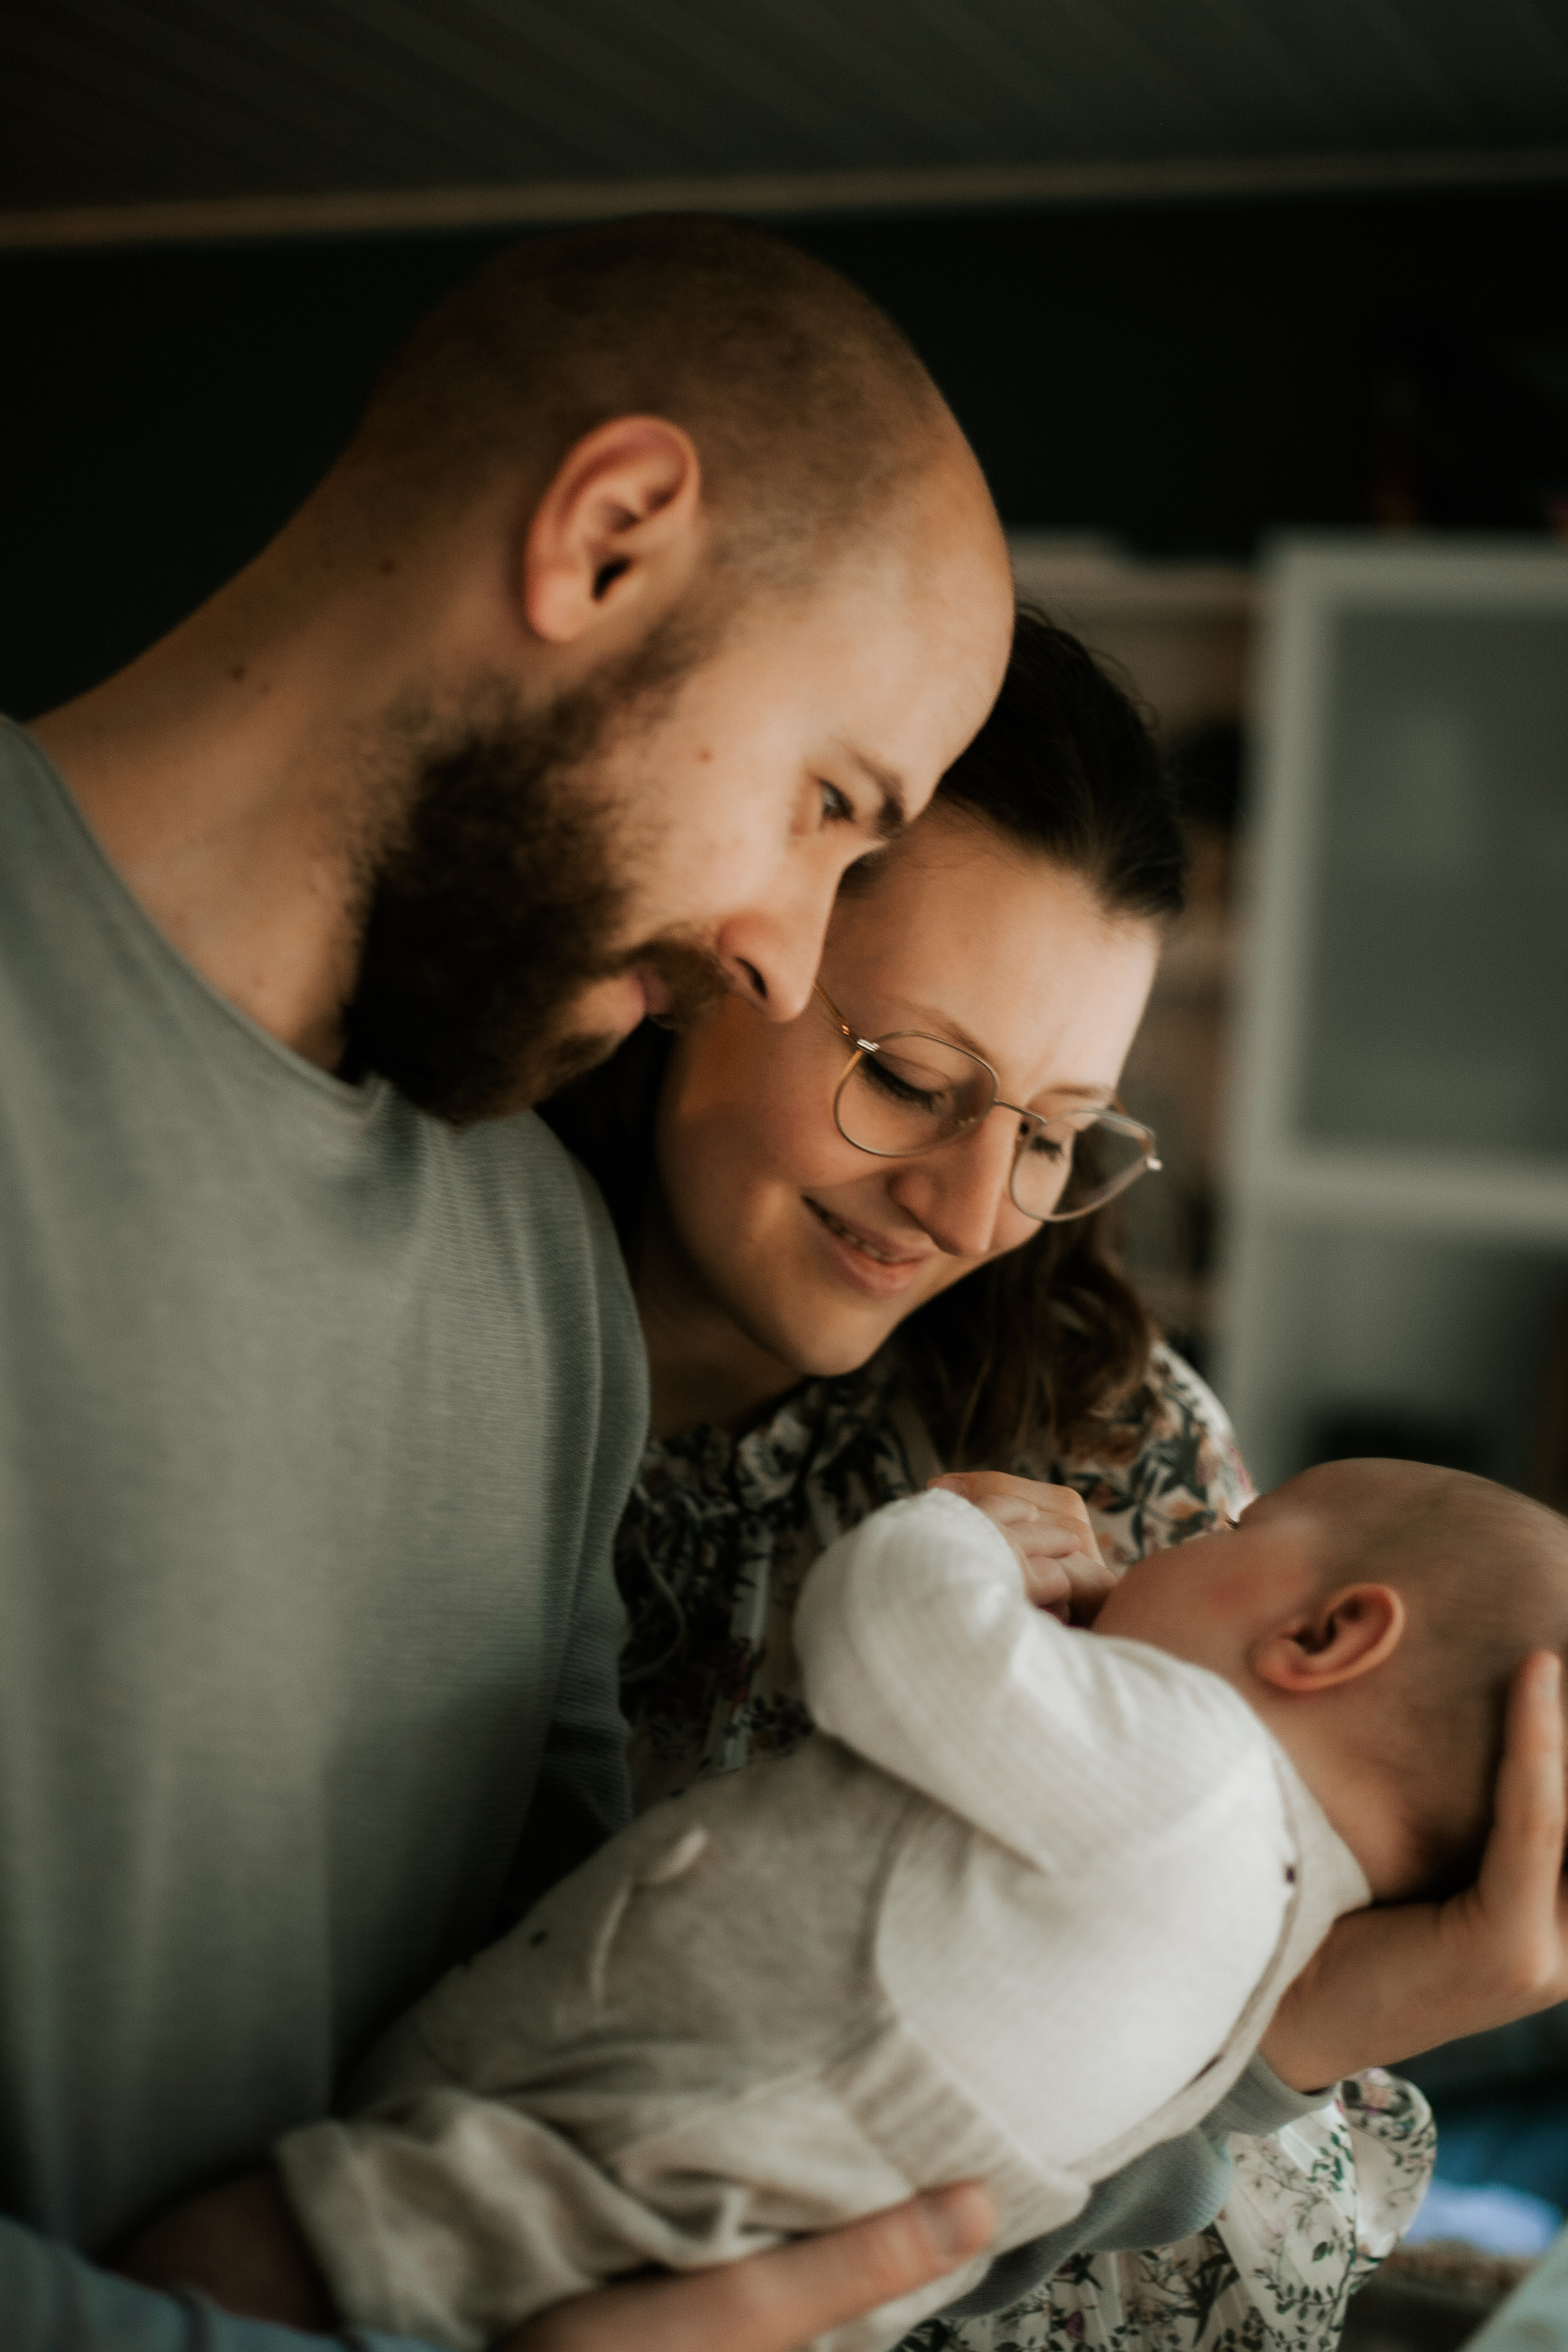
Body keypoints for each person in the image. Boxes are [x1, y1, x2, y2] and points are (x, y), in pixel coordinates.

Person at [0, 214, 1016, 2352]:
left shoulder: (546, 1287)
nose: (788, 959)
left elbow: (558, 2058)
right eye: (832, 804)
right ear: (610, 536)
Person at [514, 606, 1568, 2352]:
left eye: (1060, 1128)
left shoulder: (1099, 1417)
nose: (977, 1208)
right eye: (914, 1081)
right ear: (717, 953)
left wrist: (1316, 2024)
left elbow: (1190, 2302)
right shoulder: (459, 1340)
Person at [116, 1460, 1568, 2352]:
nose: (1157, 1542)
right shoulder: (1261, 1948)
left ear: (1323, 1636)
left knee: (197, 2278)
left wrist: (964, 1543)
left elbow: (884, 1638)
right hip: (743, 2261)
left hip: (607, 2163)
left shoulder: (1190, 1764)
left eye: (1230, 1525)